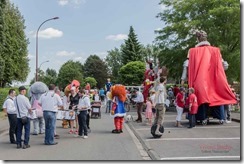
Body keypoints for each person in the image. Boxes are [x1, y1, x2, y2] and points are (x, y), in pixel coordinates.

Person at [181, 30, 236, 116]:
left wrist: (183, 79)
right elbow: (224, 65)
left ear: (197, 39)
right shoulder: (215, 50)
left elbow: (186, 65)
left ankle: (201, 117)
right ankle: (220, 116)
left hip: (199, 81)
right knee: (217, 96)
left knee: (200, 97)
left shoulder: (192, 51)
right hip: (214, 80)